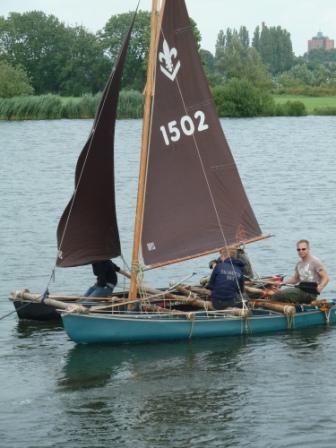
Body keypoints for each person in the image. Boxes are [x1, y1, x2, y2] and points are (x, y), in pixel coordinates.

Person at [271, 239, 329, 304]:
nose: (301, 251)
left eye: (303, 249)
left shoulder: (315, 262)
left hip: (310, 293)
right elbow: (295, 279)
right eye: (298, 249)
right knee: (276, 294)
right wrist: (282, 283)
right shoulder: (299, 263)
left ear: (308, 249)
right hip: (301, 289)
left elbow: (326, 278)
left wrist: (320, 286)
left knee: (277, 296)